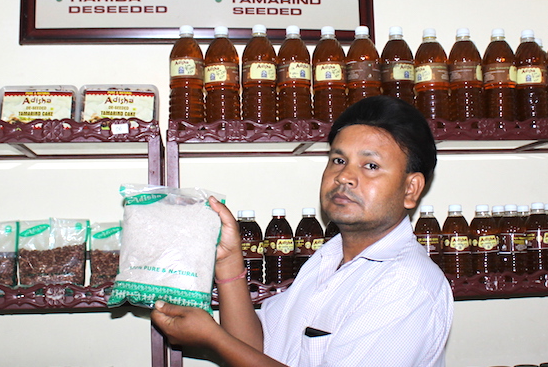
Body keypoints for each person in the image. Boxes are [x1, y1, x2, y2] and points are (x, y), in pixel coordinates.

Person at [151, 95, 454, 366]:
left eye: (370, 166)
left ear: (411, 189)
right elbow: (257, 347)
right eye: (338, 160)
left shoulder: (407, 285)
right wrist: (229, 260)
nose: (345, 176)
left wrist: (214, 340)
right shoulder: (328, 257)